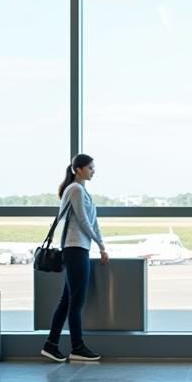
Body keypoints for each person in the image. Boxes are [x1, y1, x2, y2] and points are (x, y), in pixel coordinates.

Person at [41, 153, 109, 364]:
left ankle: (51, 345)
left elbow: (93, 221)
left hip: (79, 248)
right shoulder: (76, 190)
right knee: (76, 302)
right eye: (90, 167)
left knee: (67, 301)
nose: (93, 171)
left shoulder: (81, 190)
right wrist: (100, 245)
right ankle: (77, 347)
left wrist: (101, 245)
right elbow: (83, 221)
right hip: (75, 248)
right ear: (78, 169)